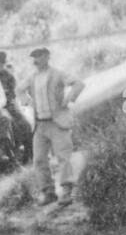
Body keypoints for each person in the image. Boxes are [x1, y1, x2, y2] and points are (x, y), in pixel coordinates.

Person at [21, 46, 83, 207]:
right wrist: (27, 102)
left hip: (57, 122)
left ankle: (67, 191)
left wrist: (68, 99)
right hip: (40, 124)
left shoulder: (57, 74)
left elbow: (78, 84)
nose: (36, 60)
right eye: (34, 57)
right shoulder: (32, 77)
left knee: (63, 157)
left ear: (47, 57)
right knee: (39, 159)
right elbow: (19, 90)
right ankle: (48, 192)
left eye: (39, 56)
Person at [0, 49, 33, 164]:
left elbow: (13, 93)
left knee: (24, 123)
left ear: (1, 63)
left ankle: (29, 151)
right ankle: (6, 154)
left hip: (9, 104)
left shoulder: (9, 76)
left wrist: (5, 96)